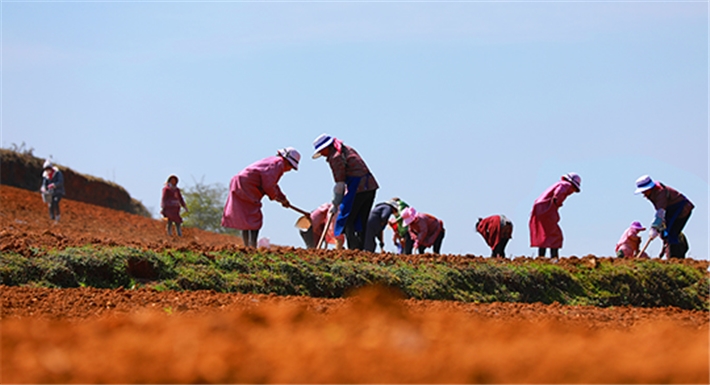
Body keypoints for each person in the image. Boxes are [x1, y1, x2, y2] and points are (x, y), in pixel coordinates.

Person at [222, 147, 300, 248]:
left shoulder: (273, 161)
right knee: (254, 217)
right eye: (290, 166)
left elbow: (272, 185)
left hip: (239, 181)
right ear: (286, 160)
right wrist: (275, 197)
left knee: (246, 216)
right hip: (248, 185)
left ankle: (247, 246)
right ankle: (252, 247)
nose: (289, 170)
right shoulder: (278, 164)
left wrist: (282, 198)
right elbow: (268, 185)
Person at [312, 134, 379, 250]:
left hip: (358, 187)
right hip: (370, 186)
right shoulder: (347, 149)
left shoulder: (335, 157)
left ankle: (353, 250)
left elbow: (340, 183)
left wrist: (335, 203)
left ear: (326, 147)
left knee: (347, 219)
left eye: (322, 151)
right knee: (362, 220)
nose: (322, 155)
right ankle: (361, 249)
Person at [634, 175, 694, 259]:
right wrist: (659, 225)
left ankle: (675, 257)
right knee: (664, 233)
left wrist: (654, 227)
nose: (644, 194)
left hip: (681, 210)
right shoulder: (651, 194)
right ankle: (671, 254)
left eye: (645, 191)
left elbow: (660, 212)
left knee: (671, 233)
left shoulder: (660, 192)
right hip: (669, 212)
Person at [529, 172, 581, 258]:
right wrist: (558, 202)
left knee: (544, 233)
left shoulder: (559, 183)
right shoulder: (566, 185)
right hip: (546, 207)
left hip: (539, 207)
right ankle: (554, 257)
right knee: (555, 234)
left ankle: (541, 257)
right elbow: (559, 193)